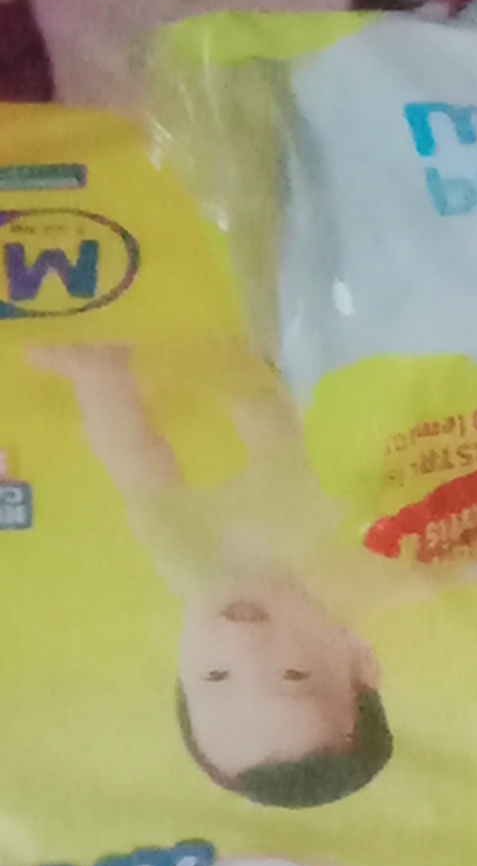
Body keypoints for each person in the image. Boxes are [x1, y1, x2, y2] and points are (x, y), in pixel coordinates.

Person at [26, 346, 393, 807]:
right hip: (297, 413)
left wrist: (100, 381)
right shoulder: (347, 573)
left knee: (146, 462)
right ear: (359, 660)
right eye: (294, 673)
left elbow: (134, 457)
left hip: (232, 427)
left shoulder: (187, 560)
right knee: (275, 417)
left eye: (215, 675)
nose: (244, 641)